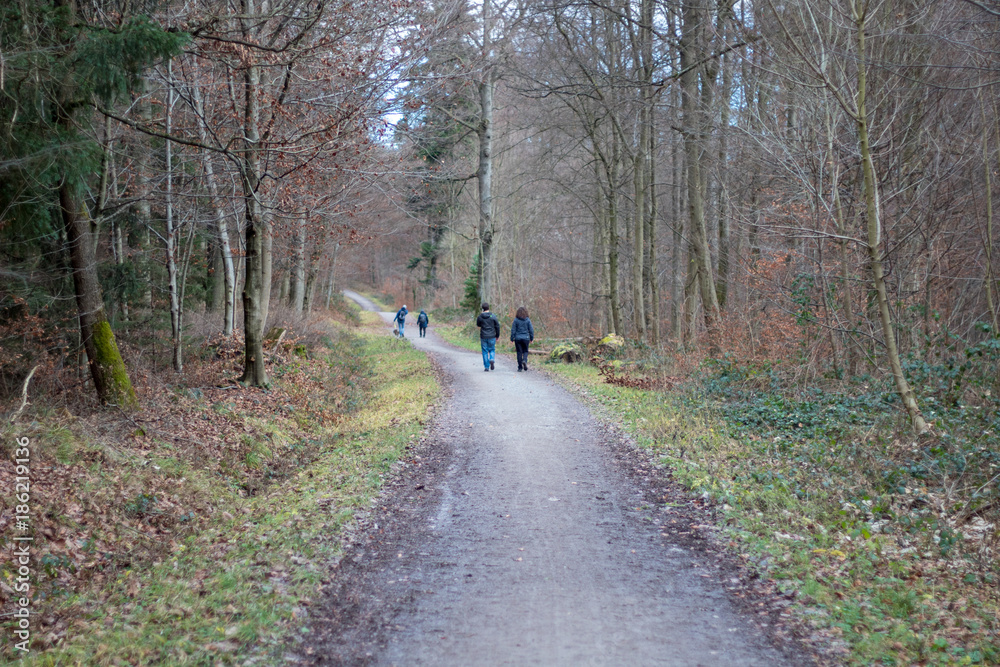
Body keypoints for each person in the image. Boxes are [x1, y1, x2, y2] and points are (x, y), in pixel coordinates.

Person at [476, 302, 501, 371]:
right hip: (492, 336)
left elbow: (478, 324)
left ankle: (486, 367)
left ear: (482, 309)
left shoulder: (480, 316)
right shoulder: (493, 316)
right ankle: (492, 359)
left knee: (484, 351)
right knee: (492, 349)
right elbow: (497, 326)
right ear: (488, 308)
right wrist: (497, 335)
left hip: (483, 336)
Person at [510, 306, 535, 372]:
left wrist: (512, 338)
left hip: (518, 338)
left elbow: (513, 330)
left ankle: (520, 367)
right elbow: (531, 330)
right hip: (526, 338)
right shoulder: (527, 320)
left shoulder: (516, 320)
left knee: (519, 352)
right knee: (525, 351)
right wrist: (531, 338)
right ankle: (524, 360)